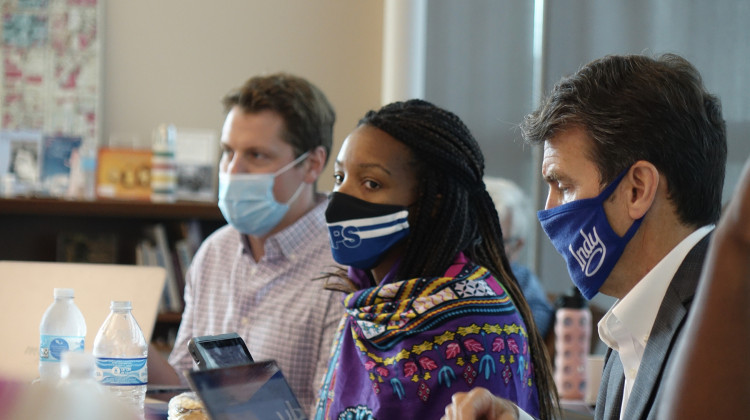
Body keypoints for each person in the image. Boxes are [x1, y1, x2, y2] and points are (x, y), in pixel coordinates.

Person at [441, 53, 726, 420]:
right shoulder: (637, 316)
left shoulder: (723, 331)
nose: (548, 210)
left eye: (563, 184)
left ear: (637, 189)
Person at [314, 99, 558, 420]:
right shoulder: (368, 302)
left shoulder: (475, 325)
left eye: (371, 183)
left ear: (432, 202)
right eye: (338, 177)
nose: (342, 197)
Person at [148, 73, 345, 414]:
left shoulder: (343, 266)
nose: (233, 170)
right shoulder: (214, 252)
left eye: (256, 155)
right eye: (228, 152)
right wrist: (133, 349)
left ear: (312, 164)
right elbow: (184, 390)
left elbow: (331, 411)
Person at [484, 177, 555, 338]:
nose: (482, 250)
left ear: (518, 245)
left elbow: (527, 337)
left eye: (496, 242)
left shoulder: (524, 284)